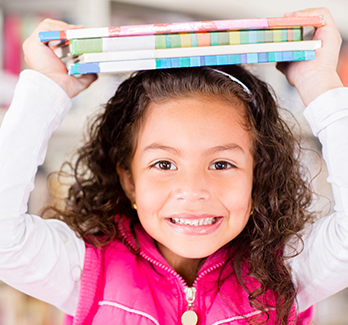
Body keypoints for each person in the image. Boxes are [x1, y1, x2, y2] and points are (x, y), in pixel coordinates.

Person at [0, 7, 347, 325]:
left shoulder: (288, 271)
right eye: (164, 163)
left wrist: (319, 84)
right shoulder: (88, 269)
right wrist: (46, 88)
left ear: (258, 175)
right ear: (129, 179)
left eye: (222, 163)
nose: (193, 190)